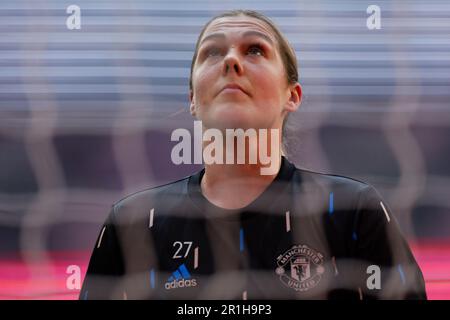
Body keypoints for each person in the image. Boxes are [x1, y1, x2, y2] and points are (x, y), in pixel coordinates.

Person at [80, 10, 426, 300]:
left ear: (293, 95)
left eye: (255, 50)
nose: (231, 61)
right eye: (212, 53)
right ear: (192, 100)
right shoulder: (133, 222)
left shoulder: (355, 212)